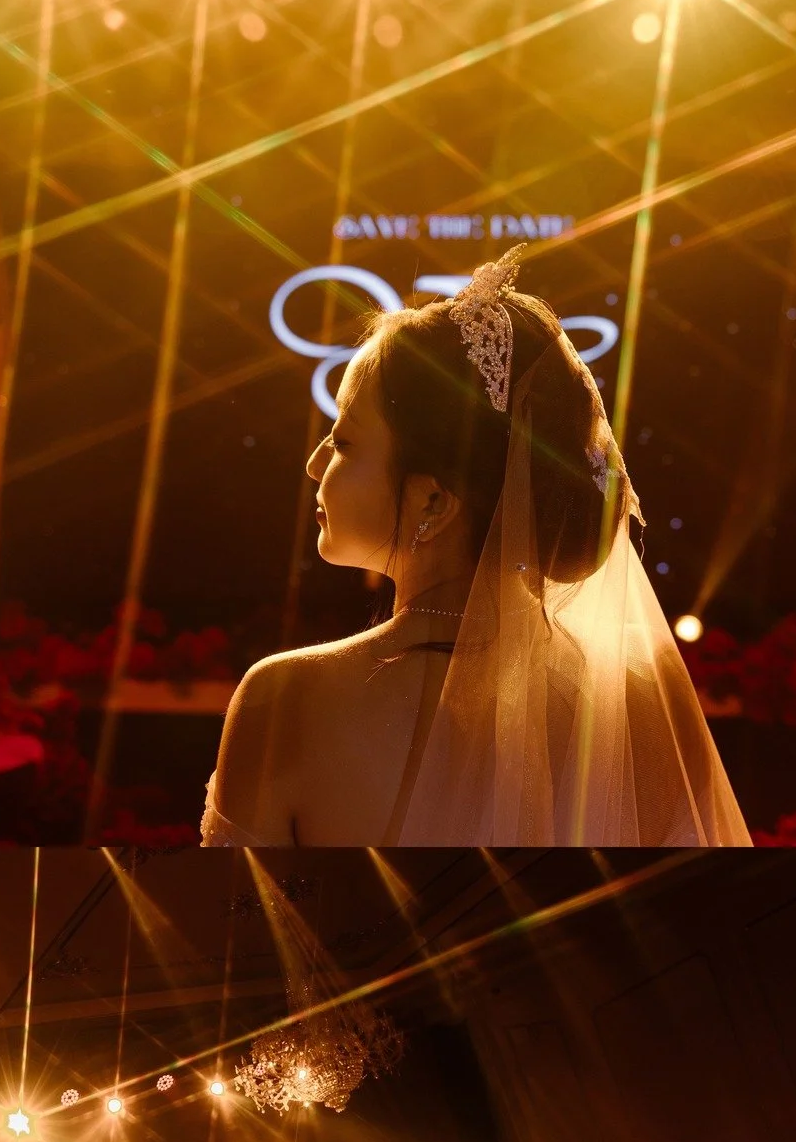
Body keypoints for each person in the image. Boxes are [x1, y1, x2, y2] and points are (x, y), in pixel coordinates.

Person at [203, 254, 748, 846]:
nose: (314, 466)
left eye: (343, 441)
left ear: (433, 502)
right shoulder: (646, 711)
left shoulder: (288, 703)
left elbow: (243, 931)